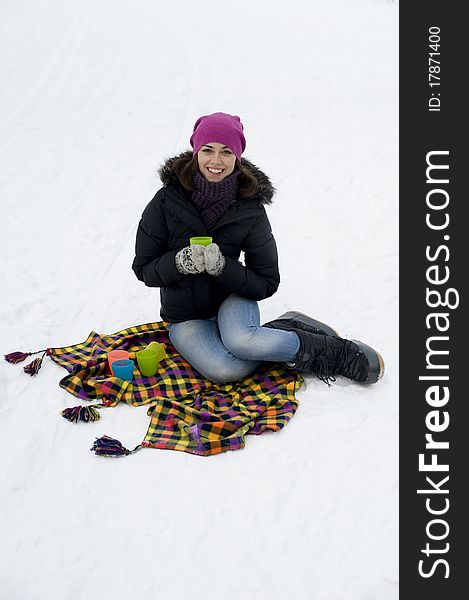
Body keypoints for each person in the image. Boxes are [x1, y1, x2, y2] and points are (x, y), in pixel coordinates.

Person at [132, 112, 384, 385]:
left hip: (232, 299)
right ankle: (284, 329)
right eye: (208, 150)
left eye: (226, 152)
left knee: (241, 340)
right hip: (185, 317)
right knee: (225, 369)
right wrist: (179, 263)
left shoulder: (250, 209)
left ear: (237, 156)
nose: (216, 161)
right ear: (195, 151)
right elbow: (144, 268)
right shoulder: (165, 201)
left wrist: (223, 268)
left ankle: (336, 353)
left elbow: (266, 281)